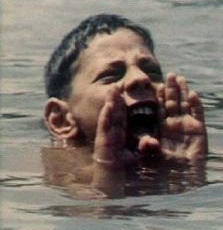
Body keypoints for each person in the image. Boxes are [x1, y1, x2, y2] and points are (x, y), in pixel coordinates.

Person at [42, 14, 208, 198]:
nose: (141, 78)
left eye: (152, 71)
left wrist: (189, 171)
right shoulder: (43, 175)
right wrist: (108, 175)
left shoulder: (209, 155)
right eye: (111, 75)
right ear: (61, 120)